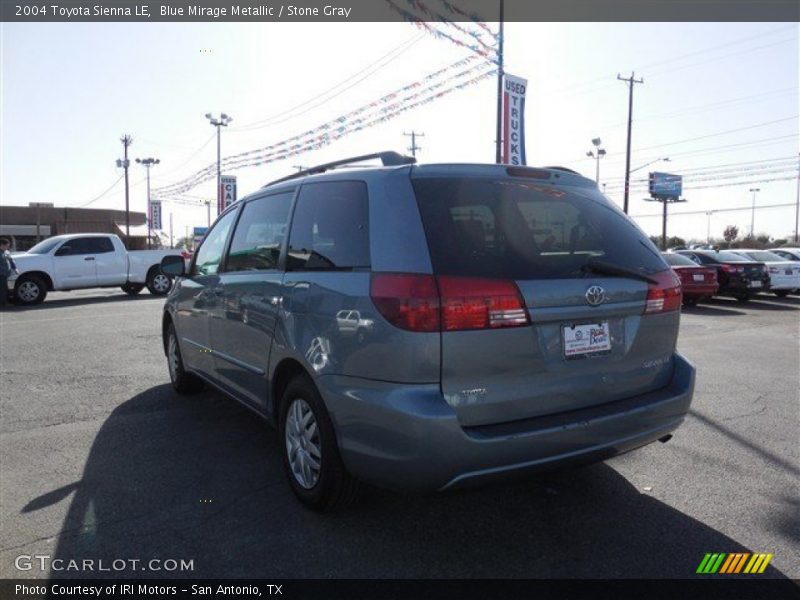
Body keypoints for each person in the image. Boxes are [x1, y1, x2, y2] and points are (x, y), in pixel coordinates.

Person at [0, 237, 19, 309]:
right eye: (6, 245)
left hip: (7, 273)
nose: (8, 247)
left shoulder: (7, 252)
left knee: (7, 288)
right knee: (3, 288)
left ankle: (5, 301)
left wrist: (15, 268)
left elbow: (11, 260)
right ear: (1, 245)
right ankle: (3, 303)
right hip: (1, 274)